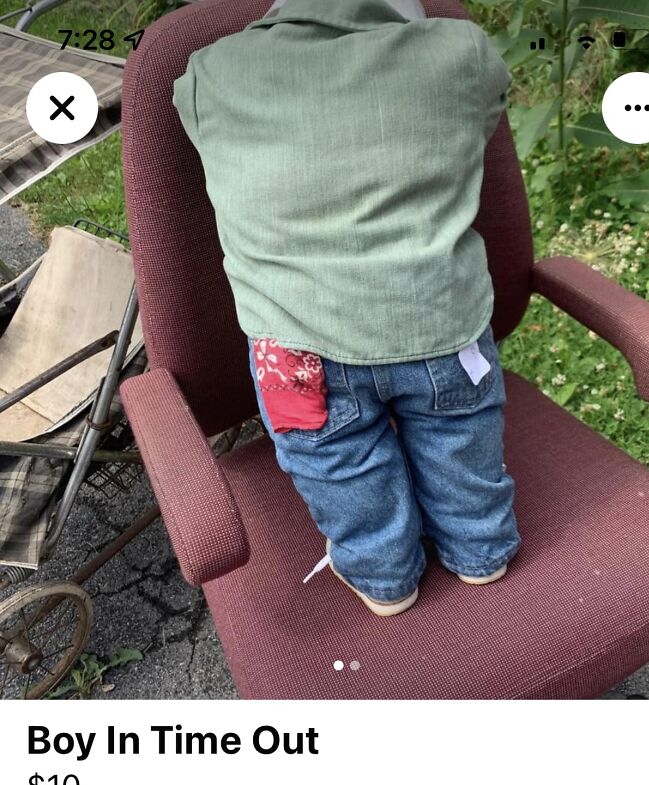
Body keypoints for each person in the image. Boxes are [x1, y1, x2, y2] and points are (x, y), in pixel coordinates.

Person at [173, 0, 521, 617]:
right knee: (461, 439)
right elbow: (484, 111)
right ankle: (481, 550)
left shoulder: (209, 74)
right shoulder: (462, 51)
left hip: (296, 347)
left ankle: (384, 577)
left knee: (335, 462)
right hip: (442, 325)